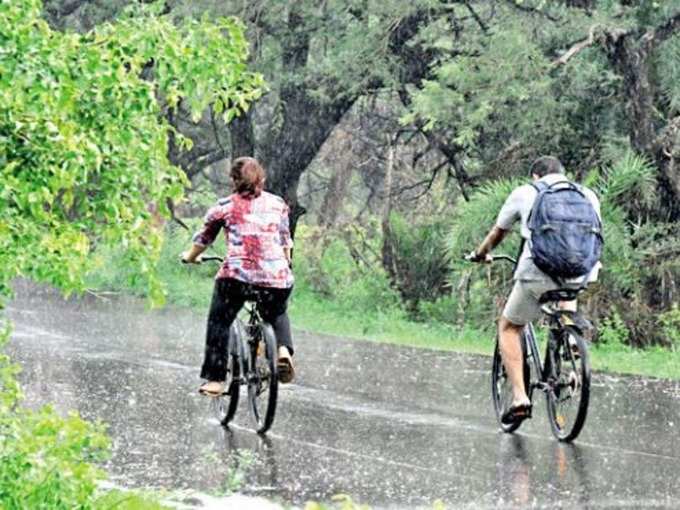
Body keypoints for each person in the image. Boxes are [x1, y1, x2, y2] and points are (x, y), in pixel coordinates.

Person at [468, 156, 601, 424]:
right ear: (563, 174)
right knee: (566, 294)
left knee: (509, 327)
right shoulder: (587, 194)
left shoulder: (527, 192)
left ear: (535, 176)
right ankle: (571, 338)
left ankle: (520, 398)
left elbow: (498, 233)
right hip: (582, 272)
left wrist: (480, 254)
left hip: (537, 273)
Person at [182, 157, 296, 396]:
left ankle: (215, 379)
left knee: (220, 321)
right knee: (277, 311)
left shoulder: (224, 207)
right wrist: (284, 264)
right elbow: (285, 241)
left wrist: (190, 257)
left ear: (233, 180)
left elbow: (203, 240)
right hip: (275, 277)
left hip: (237, 278)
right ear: (261, 179)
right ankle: (283, 351)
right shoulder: (278, 204)